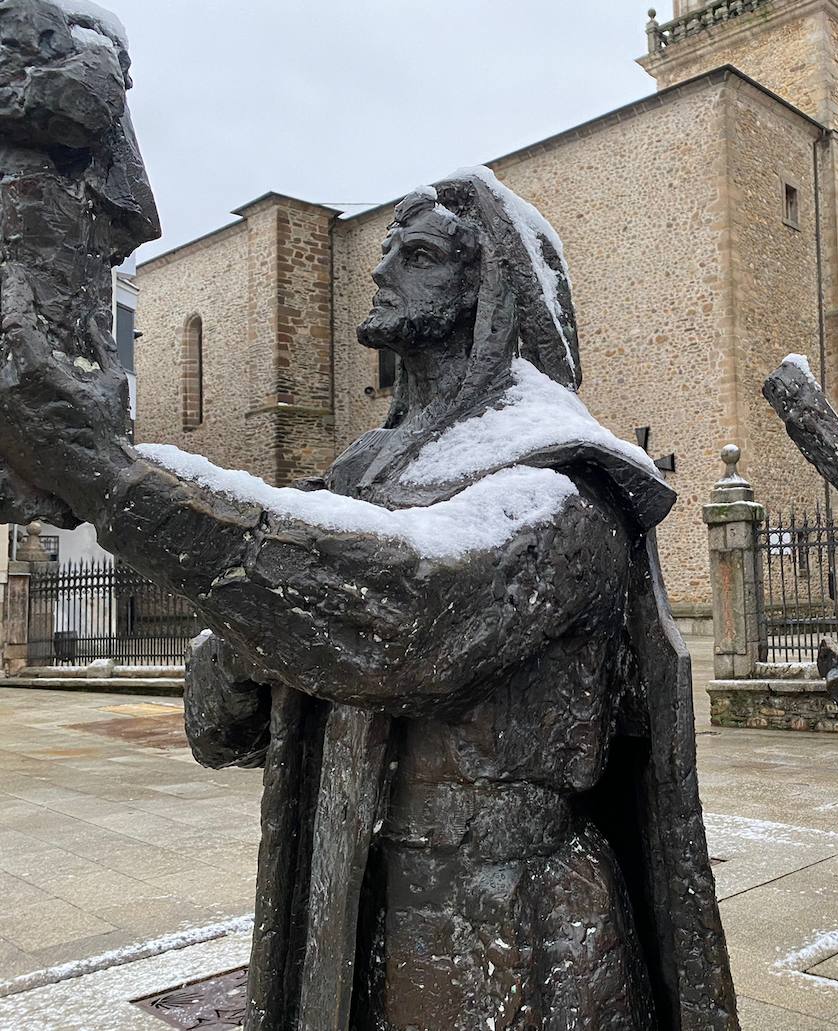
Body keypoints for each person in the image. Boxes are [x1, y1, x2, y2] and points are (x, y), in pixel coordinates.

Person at [0, 4, 738, 1028]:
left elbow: (409, 615)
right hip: (353, 898)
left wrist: (110, 479)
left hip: (517, 919)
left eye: (420, 255)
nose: (383, 267)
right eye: (386, 248)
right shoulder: (357, 477)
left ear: (491, 301)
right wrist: (258, 637)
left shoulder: (568, 483)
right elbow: (226, 711)